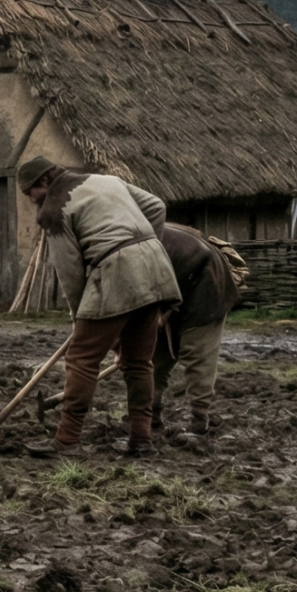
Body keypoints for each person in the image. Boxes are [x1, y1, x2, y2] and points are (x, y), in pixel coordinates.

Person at [20, 156, 181, 457]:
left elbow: (69, 272)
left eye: (30, 192)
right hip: (156, 268)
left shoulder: (54, 209)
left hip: (114, 270)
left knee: (81, 359)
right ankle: (141, 439)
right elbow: (157, 207)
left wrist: (79, 316)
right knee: (138, 362)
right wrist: (144, 247)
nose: (30, 200)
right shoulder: (105, 180)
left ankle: (67, 440)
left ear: (44, 182)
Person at [154, 222, 239, 438]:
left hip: (206, 278)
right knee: (152, 355)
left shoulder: (132, 245)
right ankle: (150, 415)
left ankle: (199, 419)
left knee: (196, 350)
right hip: (173, 281)